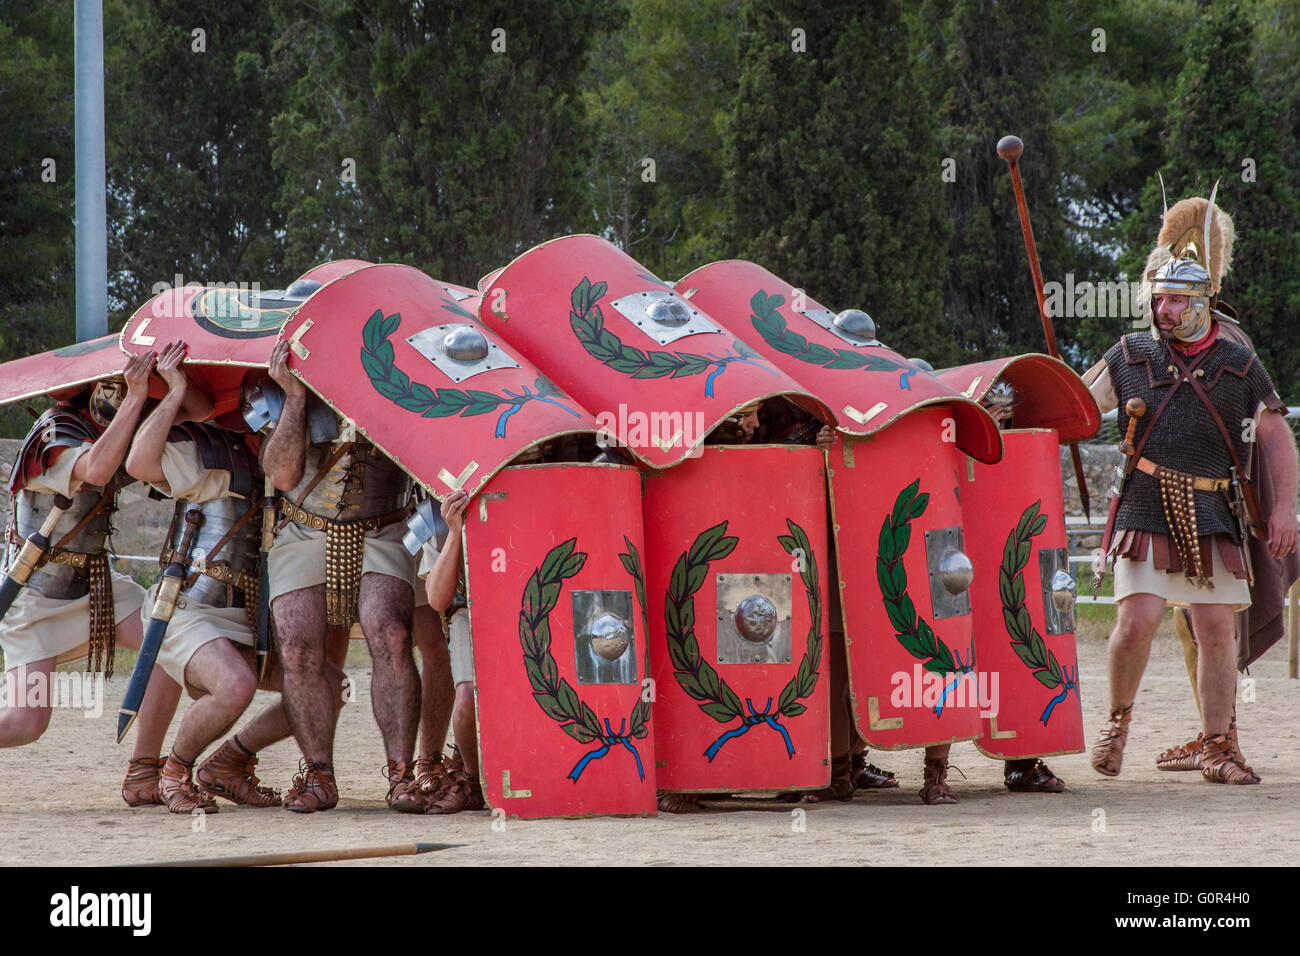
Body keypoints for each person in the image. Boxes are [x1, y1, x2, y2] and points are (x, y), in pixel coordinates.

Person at [1087, 190, 1297, 785]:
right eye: (1159, 300)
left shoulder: (1236, 360)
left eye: (1177, 301)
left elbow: (1276, 434)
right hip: (1146, 504)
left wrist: (1284, 507)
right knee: (1138, 620)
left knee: (1214, 629)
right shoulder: (1130, 354)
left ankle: (1217, 745)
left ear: (1203, 302)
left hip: (1213, 506)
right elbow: (1078, 407)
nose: (1165, 312)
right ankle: (1118, 723)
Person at [0, 351, 191, 805]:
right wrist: (139, 395)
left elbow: (189, 424)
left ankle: (144, 769)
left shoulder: (112, 429)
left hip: (98, 591)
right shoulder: (55, 431)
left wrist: (180, 384)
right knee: (26, 723)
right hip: (35, 595)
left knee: (171, 640)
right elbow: (97, 470)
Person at [123, 344, 297, 812]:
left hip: (246, 614)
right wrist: (175, 389)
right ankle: (175, 772)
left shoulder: (288, 461)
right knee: (235, 685)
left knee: (327, 688)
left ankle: (229, 763)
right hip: (188, 607)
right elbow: (139, 464)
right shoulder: (211, 447)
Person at [260, 340, 424, 812]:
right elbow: (282, 475)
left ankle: (401, 775)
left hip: (385, 526)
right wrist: (293, 397)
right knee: (296, 650)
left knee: (393, 636)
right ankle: (317, 775)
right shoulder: (292, 378)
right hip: (305, 527)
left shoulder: (405, 377)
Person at [419, 486, 482, 812]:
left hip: (533, 609)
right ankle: (472, 780)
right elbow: (437, 598)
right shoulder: (440, 506)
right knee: (468, 696)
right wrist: (455, 532)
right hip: (469, 612)